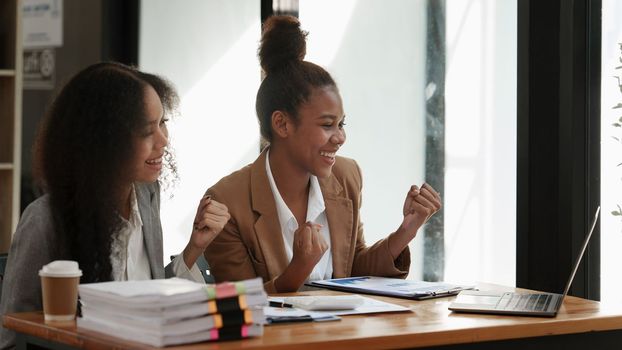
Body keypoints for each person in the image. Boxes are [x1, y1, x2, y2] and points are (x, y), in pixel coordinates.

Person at [203, 16, 441, 293]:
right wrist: (298, 268)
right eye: (327, 125)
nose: (340, 138)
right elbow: (238, 302)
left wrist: (406, 231)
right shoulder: (227, 201)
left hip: (342, 332)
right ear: (282, 124)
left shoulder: (346, 175)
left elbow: (353, 270)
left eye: (341, 124)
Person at [0, 62, 230, 349]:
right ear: (104, 141)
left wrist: (194, 248)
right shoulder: (45, 220)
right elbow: (12, 336)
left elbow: (146, 299)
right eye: (148, 131)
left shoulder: (146, 197)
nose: (163, 141)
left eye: (163, 123)